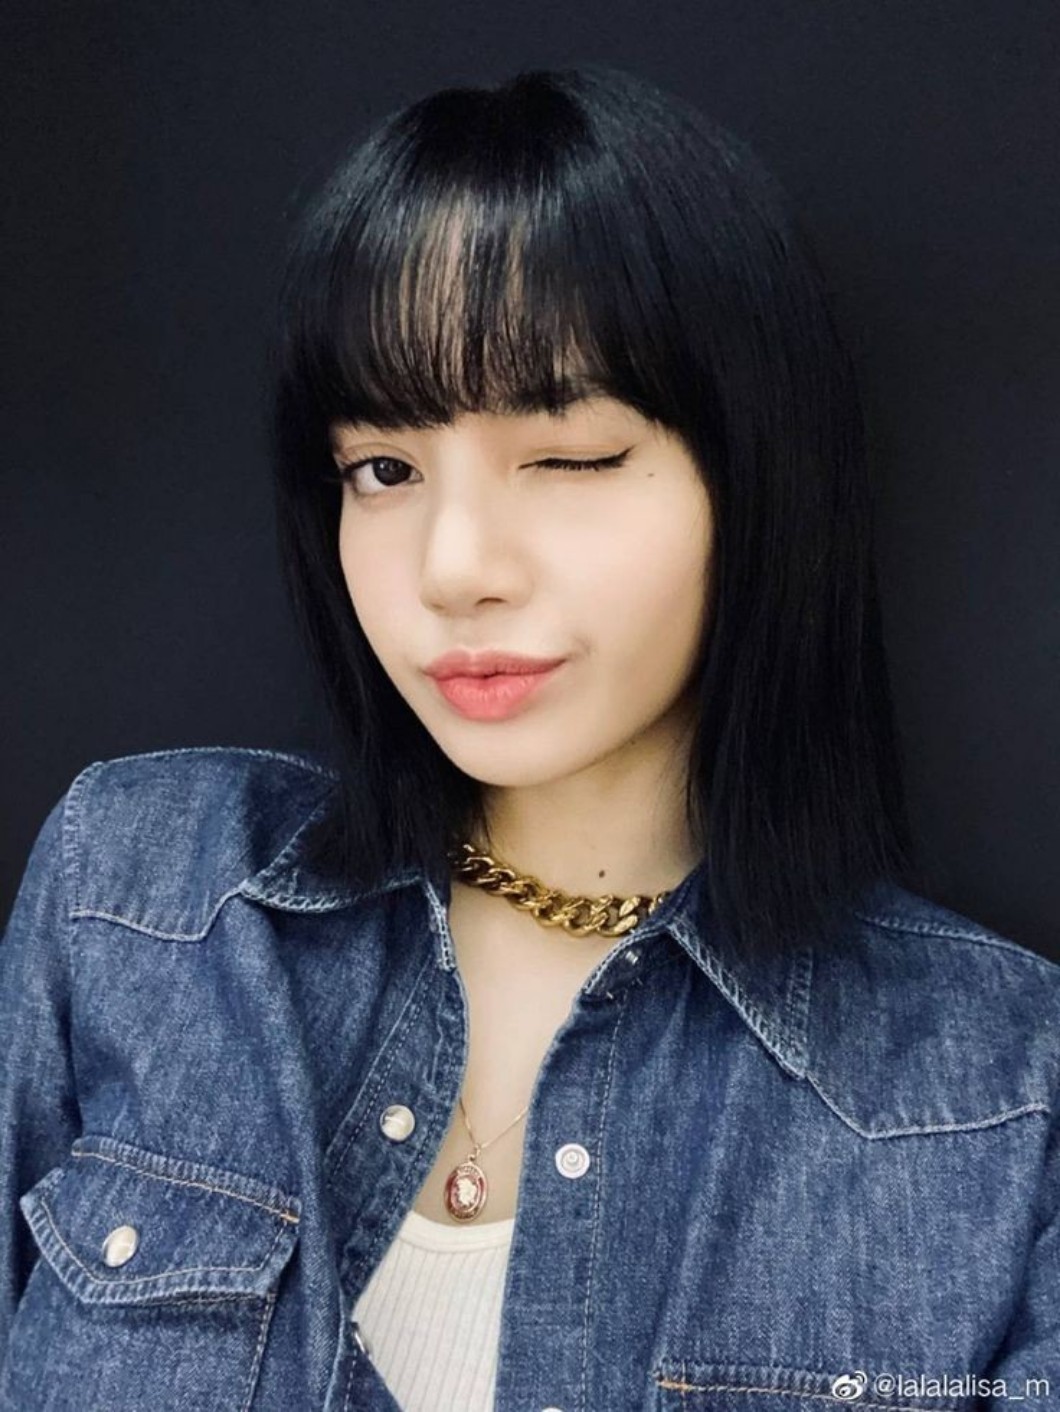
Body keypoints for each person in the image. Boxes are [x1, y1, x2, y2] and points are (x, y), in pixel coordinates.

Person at [1, 62, 1057, 1412]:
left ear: (758, 477)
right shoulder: (139, 900)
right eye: (384, 469)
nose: (453, 568)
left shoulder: (1003, 1098)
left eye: (568, 459)